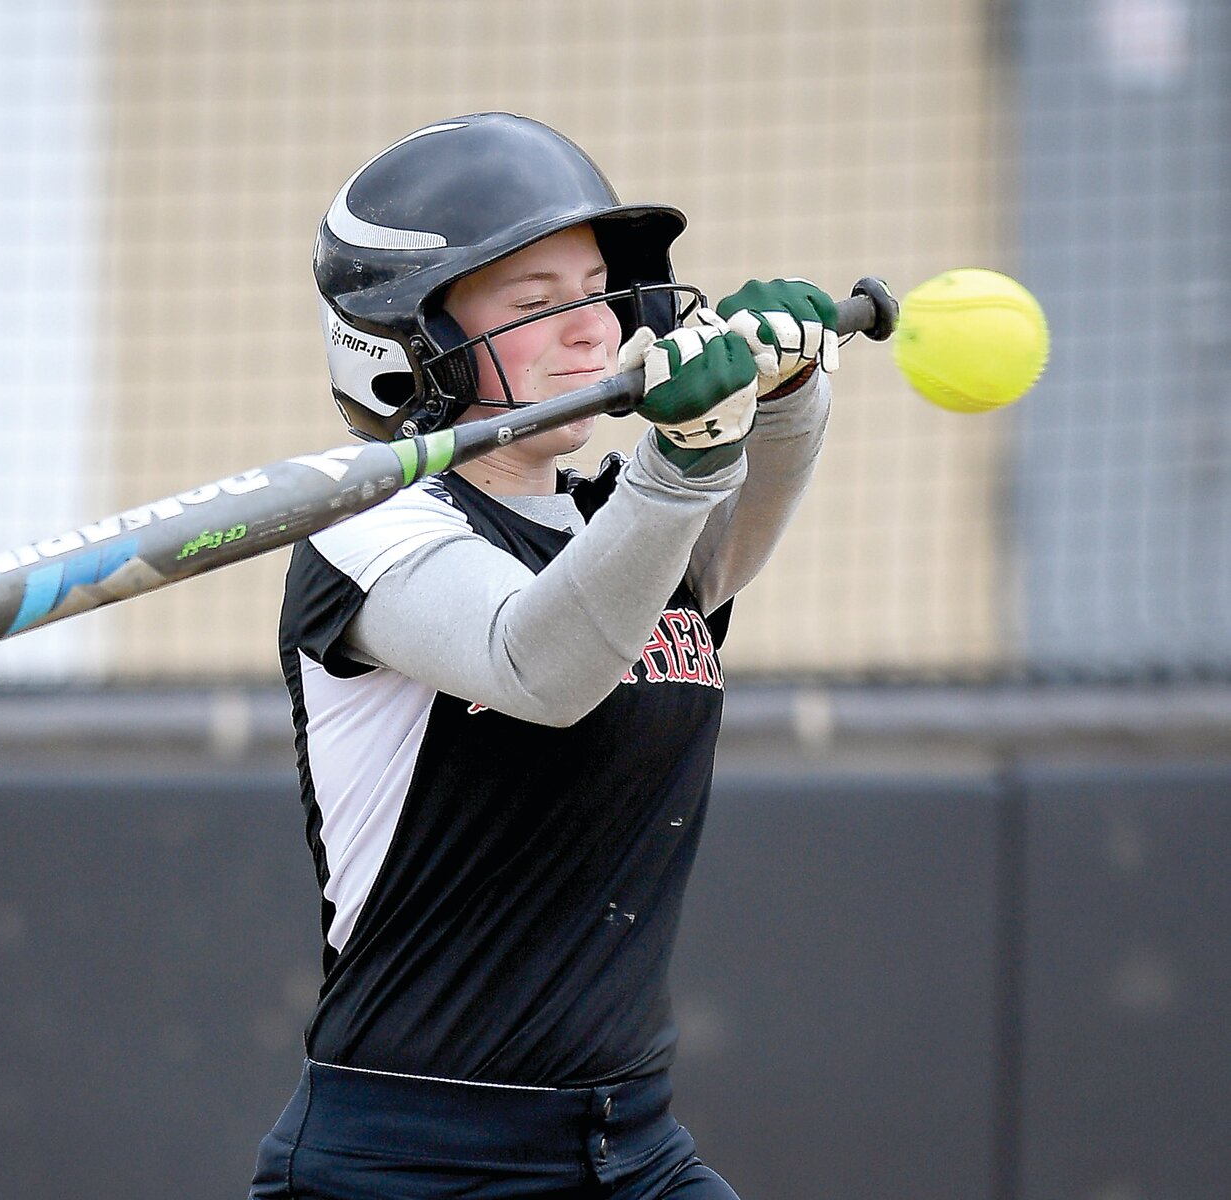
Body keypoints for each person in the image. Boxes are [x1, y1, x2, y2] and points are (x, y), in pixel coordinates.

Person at [251, 112, 838, 1199]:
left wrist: (786, 391)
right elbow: (541, 666)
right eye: (538, 306)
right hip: (410, 1160)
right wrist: (683, 462)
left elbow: (718, 530)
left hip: (629, 1141)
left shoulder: (620, 519)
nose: (592, 330)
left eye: (598, 290)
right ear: (413, 345)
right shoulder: (367, 530)